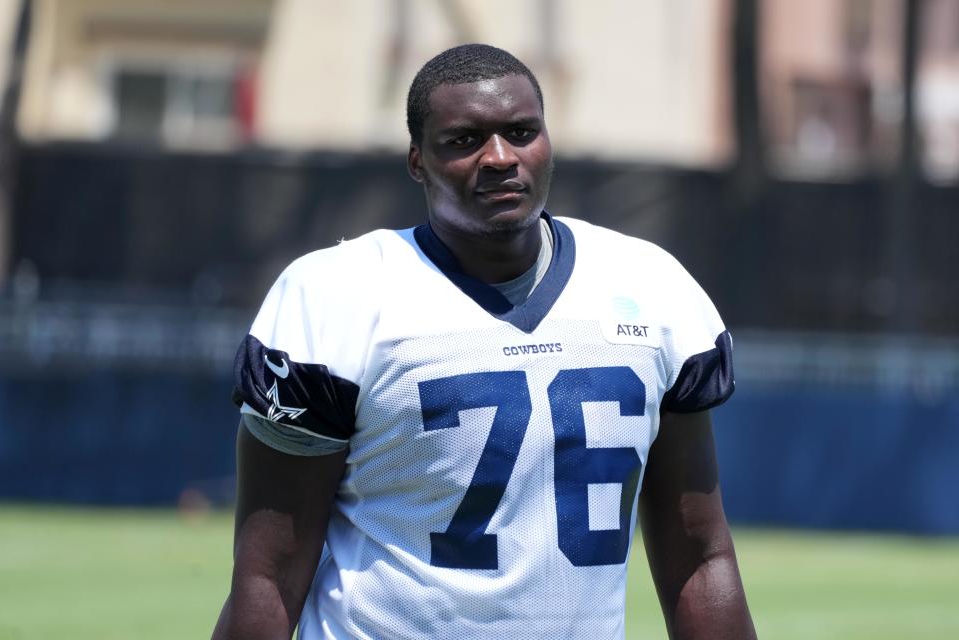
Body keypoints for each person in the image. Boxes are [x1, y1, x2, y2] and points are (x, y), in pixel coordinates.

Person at [213, 43, 756, 640]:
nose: (499, 157)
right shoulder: (336, 295)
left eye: (521, 132)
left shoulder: (650, 286)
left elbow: (700, 557)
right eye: (464, 139)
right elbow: (269, 574)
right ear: (418, 162)